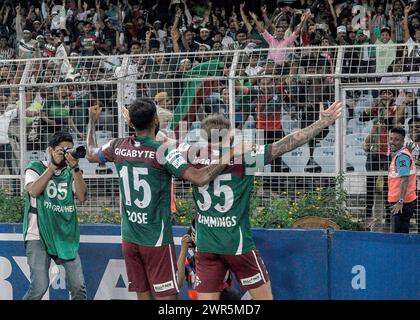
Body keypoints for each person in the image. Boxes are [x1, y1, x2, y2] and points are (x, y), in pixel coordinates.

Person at [86, 99, 246, 300]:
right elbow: (200, 177)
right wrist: (229, 155)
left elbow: (91, 154)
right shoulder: (164, 152)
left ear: (132, 123)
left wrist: (92, 122)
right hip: (156, 240)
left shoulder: (118, 145)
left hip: (129, 237)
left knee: (143, 297)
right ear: (155, 119)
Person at [180, 101, 342, 300]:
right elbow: (288, 143)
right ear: (229, 134)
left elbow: (163, 144)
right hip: (236, 244)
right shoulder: (245, 158)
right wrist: (321, 123)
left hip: (205, 245)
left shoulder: (191, 155)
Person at [22, 131, 87, 300]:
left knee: (79, 287)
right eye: (62, 150)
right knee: (39, 287)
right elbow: (34, 191)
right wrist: (52, 167)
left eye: (69, 150)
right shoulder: (35, 167)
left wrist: (76, 168)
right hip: (38, 234)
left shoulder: (72, 172)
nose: (66, 154)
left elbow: (82, 197)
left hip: (64, 235)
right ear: (50, 150)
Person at [177, 218, 241, 300]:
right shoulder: (189, 262)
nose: (195, 249)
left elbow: (222, 279)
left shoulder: (217, 257)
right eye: (192, 246)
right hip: (196, 298)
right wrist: (183, 251)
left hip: (219, 297)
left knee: (232, 293)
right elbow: (178, 282)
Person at [388, 127, 417, 233]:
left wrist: (400, 201)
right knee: (401, 233)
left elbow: (404, 180)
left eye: (396, 139)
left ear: (402, 141)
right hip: (404, 201)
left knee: (399, 236)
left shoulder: (402, 157)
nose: (392, 142)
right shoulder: (403, 154)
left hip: (401, 203)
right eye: (391, 139)